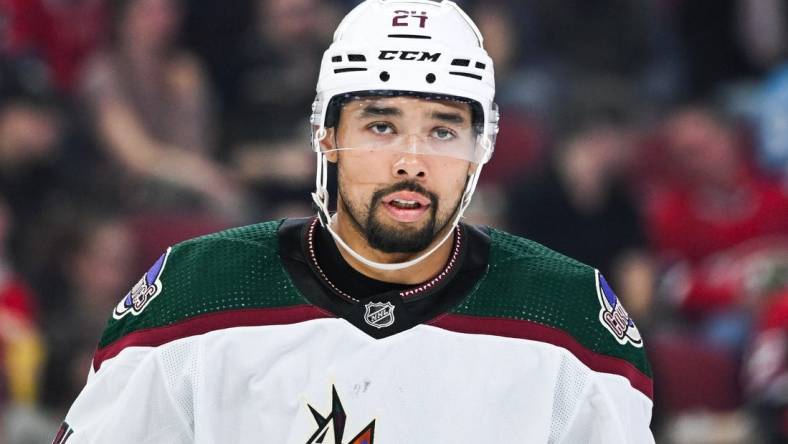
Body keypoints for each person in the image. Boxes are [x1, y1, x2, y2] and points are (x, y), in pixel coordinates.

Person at [57, 1, 654, 442]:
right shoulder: (199, 289)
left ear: (481, 149)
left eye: (443, 130)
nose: (411, 162)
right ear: (327, 136)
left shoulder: (566, 315)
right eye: (380, 126)